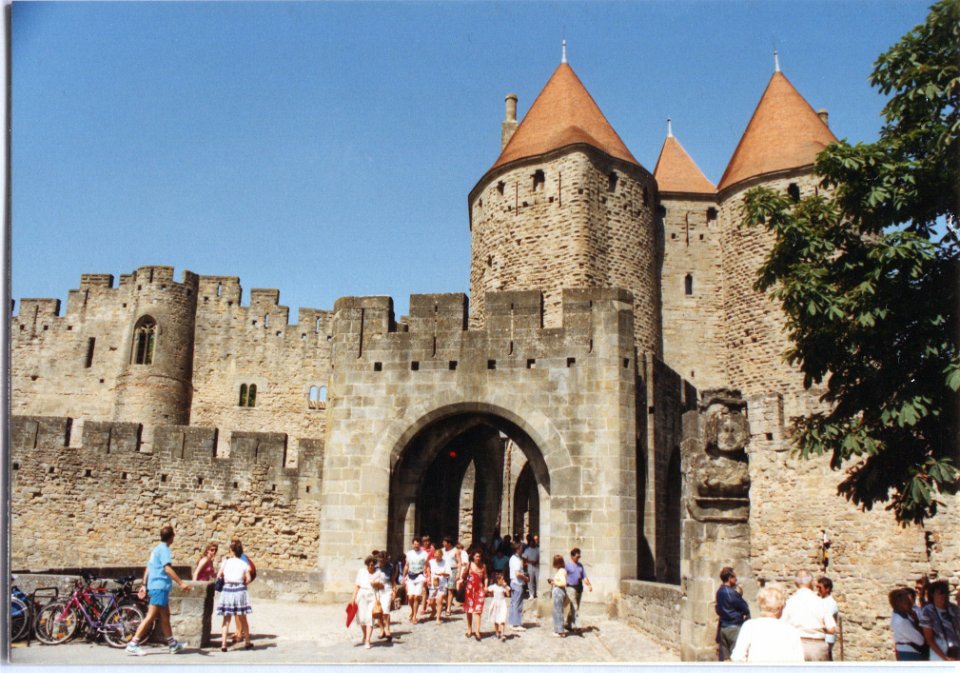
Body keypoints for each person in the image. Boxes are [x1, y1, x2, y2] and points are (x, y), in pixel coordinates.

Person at [126, 525, 192, 656]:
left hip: (157, 587)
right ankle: (133, 644)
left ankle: (172, 645)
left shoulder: (156, 550)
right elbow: (167, 569)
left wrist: (144, 584)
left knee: (165, 616)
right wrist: (181, 583)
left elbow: (148, 568)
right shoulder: (164, 550)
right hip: (159, 587)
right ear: (171, 537)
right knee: (150, 616)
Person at [730, 585, 804, 663]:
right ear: (780, 608)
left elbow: (737, 657)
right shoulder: (791, 631)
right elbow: (799, 662)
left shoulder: (749, 626)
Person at [781, 571, 837, 661]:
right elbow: (831, 629)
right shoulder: (820, 602)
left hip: (796, 646)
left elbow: (782, 626)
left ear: (795, 583)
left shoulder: (790, 602)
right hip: (817, 647)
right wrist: (818, 628)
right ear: (811, 582)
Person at [216, 539, 253, 652]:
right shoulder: (243, 564)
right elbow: (248, 578)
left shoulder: (226, 562)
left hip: (227, 589)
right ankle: (247, 642)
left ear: (231, 550)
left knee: (226, 619)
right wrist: (243, 583)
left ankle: (223, 644)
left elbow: (219, 575)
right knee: (243, 618)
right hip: (239, 589)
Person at [919, 580, 960, 661]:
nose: (944, 596)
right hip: (939, 655)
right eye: (940, 593)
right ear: (932, 594)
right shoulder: (928, 611)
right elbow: (929, 639)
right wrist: (944, 658)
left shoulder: (954, 609)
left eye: (946, 593)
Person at [715, 566, 750, 661]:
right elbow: (745, 608)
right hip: (734, 628)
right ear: (730, 578)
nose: (736, 579)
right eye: (734, 577)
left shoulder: (719, 591)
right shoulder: (732, 593)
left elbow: (718, 609)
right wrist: (740, 594)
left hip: (723, 627)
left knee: (725, 659)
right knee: (735, 658)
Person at [351, 555, 386, 650]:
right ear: (366, 565)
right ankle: (365, 634)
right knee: (362, 619)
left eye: (372, 564)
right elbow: (357, 586)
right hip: (361, 596)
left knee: (370, 619)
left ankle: (367, 640)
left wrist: (377, 584)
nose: (371, 566)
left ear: (375, 565)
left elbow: (383, 586)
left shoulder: (379, 573)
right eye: (369, 565)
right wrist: (353, 598)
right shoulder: (361, 572)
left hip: (372, 597)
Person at [889, 587, 928, 661]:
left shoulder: (904, 615)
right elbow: (920, 640)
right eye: (907, 603)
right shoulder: (901, 621)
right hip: (909, 653)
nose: (911, 605)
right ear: (900, 604)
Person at [461, 549, 487, 641]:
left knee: (478, 611)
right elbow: (463, 576)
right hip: (469, 590)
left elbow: (486, 577)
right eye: (477, 556)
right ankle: (469, 629)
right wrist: (464, 572)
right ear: (473, 557)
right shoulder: (469, 565)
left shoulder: (483, 566)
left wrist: (486, 586)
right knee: (469, 610)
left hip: (479, 590)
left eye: (479, 556)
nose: (478, 558)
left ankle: (477, 631)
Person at [564, 548, 593, 632]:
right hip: (570, 587)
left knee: (574, 607)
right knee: (575, 606)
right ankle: (577, 625)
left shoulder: (580, 565)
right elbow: (563, 575)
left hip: (579, 588)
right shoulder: (567, 565)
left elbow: (584, 577)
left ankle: (568, 624)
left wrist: (589, 585)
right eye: (577, 556)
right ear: (572, 556)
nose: (578, 558)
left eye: (579, 556)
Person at [404, 537, 428, 624]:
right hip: (410, 576)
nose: (416, 545)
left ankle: (414, 616)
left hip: (420, 576)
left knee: (416, 597)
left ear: (420, 545)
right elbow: (407, 565)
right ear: (412, 544)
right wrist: (403, 576)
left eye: (418, 544)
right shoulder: (409, 553)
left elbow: (427, 565)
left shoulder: (424, 553)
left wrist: (427, 576)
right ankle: (412, 611)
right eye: (414, 544)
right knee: (410, 597)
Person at [508, 543, 529, 632]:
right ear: (518, 549)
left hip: (514, 582)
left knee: (514, 603)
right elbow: (517, 573)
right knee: (518, 604)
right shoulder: (516, 560)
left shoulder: (513, 558)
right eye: (521, 548)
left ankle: (512, 622)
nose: (522, 550)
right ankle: (516, 624)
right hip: (517, 583)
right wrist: (526, 578)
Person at [817, 576, 840, 660]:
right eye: (817, 587)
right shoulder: (819, 600)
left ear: (827, 589)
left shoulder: (831, 603)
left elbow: (826, 619)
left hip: (827, 636)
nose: (818, 590)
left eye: (820, 588)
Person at [426, 547, 450, 623]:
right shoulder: (431, 562)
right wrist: (428, 577)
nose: (436, 556)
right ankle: (434, 610)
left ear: (441, 555)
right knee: (431, 602)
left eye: (438, 555)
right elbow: (427, 568)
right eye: (435, 555)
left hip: (442, 583)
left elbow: (448, 573)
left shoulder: (446, 562)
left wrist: (442, 574)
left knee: (439, 600)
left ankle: (438, 618)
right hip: (433, 582)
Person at [375, 552, 395, 641]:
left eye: (383, 561)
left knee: (386, 610)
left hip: (387, 589)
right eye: (380, 561)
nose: (381, 563)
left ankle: (387, 629)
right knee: (378, 611)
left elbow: (393, 580)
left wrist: (394, 590)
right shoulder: (374, 567)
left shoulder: (390, 566)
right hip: (376, 590)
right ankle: (381, 629)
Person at [547, 554, 568, 638]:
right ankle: (558, 630)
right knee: (556, 611)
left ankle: (560, 631)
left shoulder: (561, 571)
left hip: (559, 592)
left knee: (558, 611)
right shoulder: (560, 570)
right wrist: (554, 581)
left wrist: (554, 582)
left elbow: (563, 583)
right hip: (557, 591)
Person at [486, 571, 510, 641]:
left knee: (502, 618)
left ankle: (502, 633)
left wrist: (505, 587)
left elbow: (508, 595)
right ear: (497, 580)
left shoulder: (504, 587)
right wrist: (490, 594)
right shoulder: (493, 586)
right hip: (495, 604)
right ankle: (497, 633)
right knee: (495, 618)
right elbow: (488, 591)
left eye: (503, 579)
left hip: (502, 604)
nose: (503, 581)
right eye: (502, 579)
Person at [442, 537, 459, 615]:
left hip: (453, 570)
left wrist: (458, 573)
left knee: (450, 590)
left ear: (449, 543)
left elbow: (459, 562)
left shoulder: (455, 551)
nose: (443, 543)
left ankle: (448, 608)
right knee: (443, 590)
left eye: (445, 542)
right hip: (444, 571)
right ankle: (447, 603)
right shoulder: (442, 550)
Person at [522, 535, 540, 599]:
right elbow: (524, 558)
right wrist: (530, 562)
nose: (532, 544)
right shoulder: (527, 550)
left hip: (537, 566)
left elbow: (541, 557)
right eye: (531, 543)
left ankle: (538, 593)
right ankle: (531, 594)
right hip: (530, 566)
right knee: (530, 581)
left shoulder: (538, 549)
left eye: (533, 543)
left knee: (538, 580)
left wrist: (536, 561)